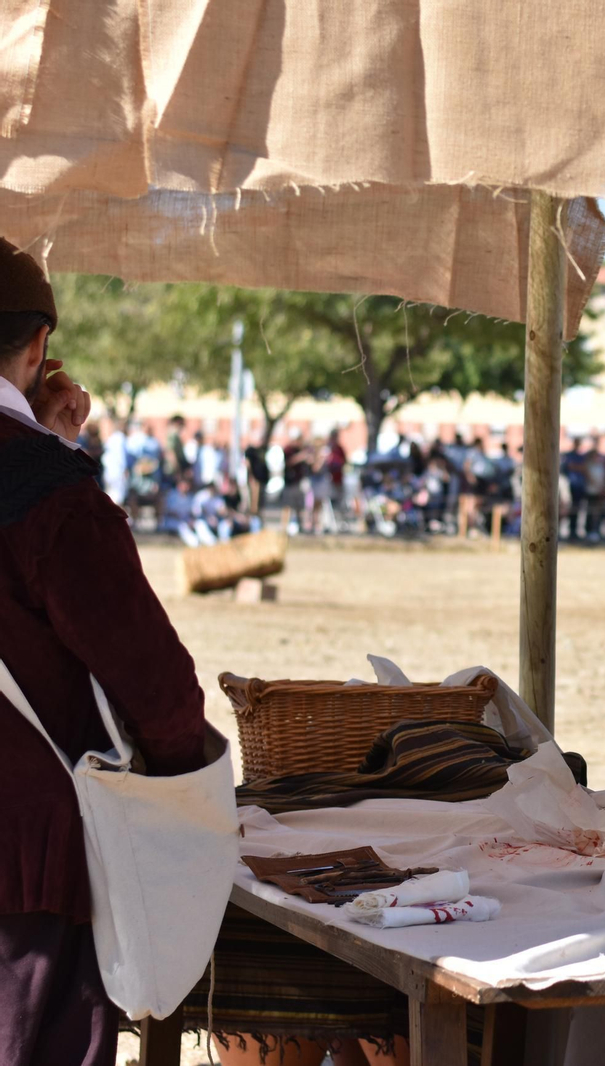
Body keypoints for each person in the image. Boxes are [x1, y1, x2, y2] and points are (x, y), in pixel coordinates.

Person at [0, 238, 210, 1066]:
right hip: (24, 858)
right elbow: (152, 681)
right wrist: (183, 781)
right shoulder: (46, 490)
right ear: (39, 348)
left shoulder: (43, 479)